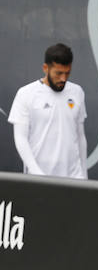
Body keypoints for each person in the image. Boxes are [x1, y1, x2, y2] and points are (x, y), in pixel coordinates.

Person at [7, 43, 87, 179]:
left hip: (74, 178)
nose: (63, 78)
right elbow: (20, 138)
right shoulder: (26, 93)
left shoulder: (77, 92)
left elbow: (80, 136)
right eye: (58, 73)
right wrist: (36, 172)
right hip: (38, 179)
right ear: (45, 68)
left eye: (67, 73)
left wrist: (83, 174)